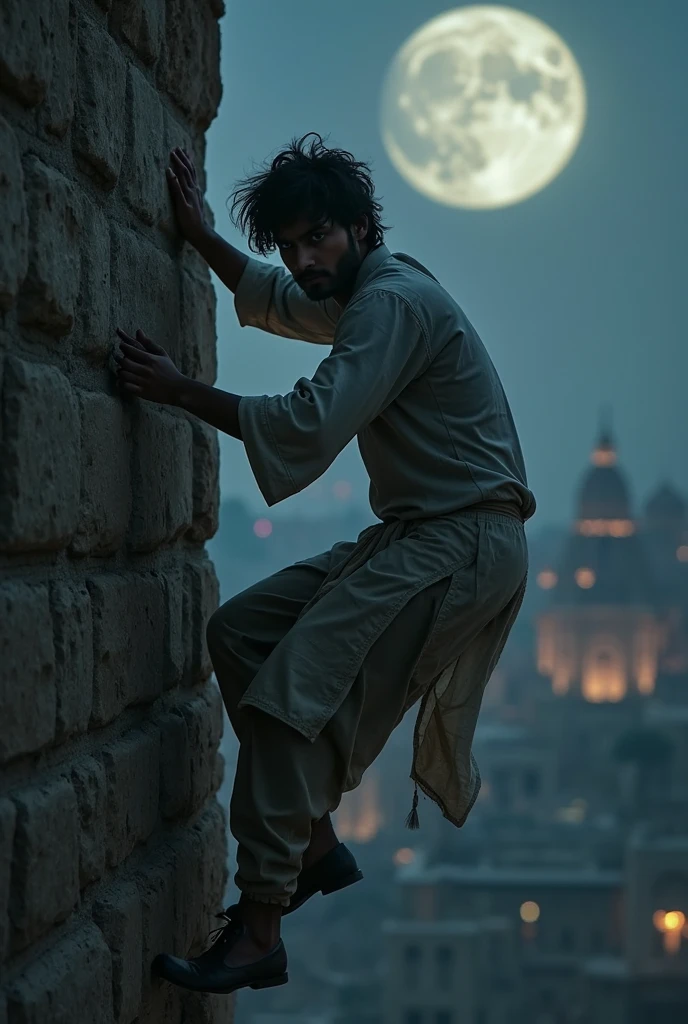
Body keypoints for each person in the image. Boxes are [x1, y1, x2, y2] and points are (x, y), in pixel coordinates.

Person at [114, 133, 536, 996]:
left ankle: (261, 922)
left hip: (459, 544)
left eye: (319, 239)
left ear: (358, 227)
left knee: (293, 700)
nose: (305, 260)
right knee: (242, 634)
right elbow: (283, 300)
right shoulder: (362, 292)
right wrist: (199, 235)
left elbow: (309, 424)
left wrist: (178, 389)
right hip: (420, 535)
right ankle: (311, 840)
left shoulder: (391, 303)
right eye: (293, 246)